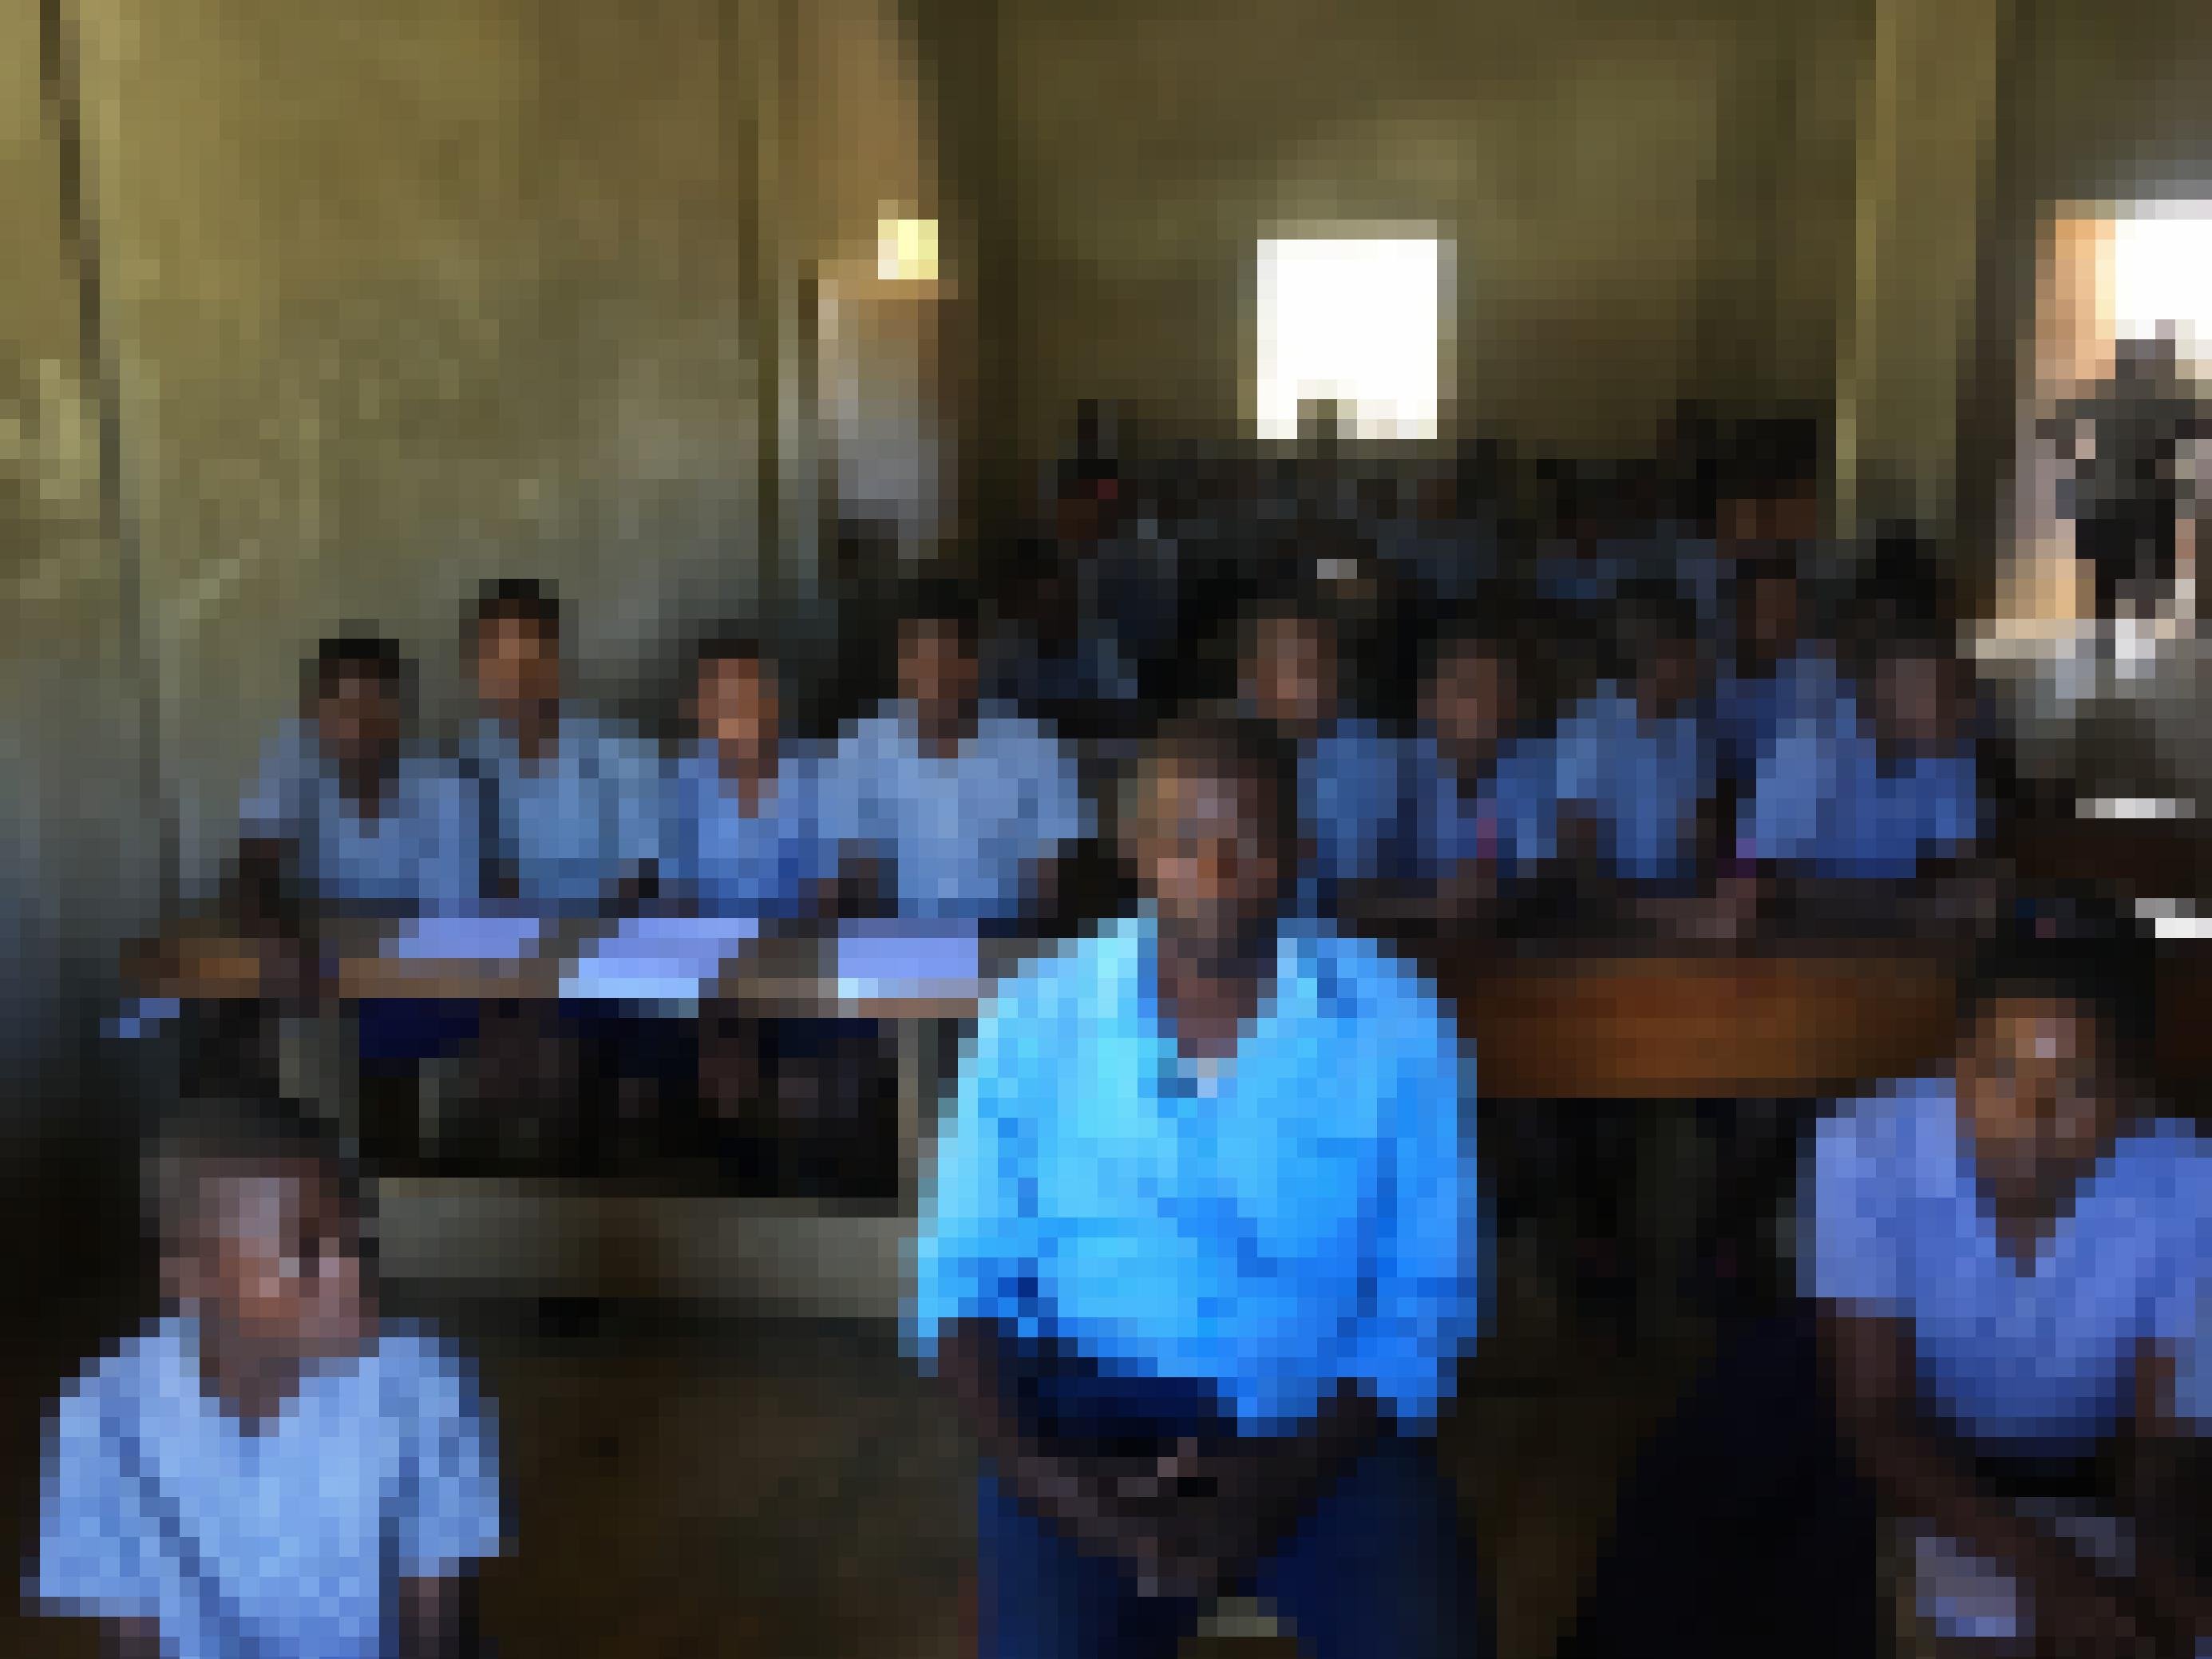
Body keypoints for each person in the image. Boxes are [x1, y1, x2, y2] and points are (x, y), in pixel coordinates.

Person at [913, 715, 1485, 1659]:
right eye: (1182, 842)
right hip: (1082, 1428)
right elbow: (960, 1288)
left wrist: (1285, 1476)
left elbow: (1427, 1298)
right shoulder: (1032, 1021)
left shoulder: (1395, 1026)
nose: (1214, 873)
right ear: (1133, 852)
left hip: (1319, 1427)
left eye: (1247, 843)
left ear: (1298, 854)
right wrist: (1054, 1485)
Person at [1810, 922, 2212, 1657]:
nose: (2030, 1121)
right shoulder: (1860, 1150)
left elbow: (2160, 1443)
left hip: (2096, 1471)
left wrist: (2155, 1578)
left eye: (2081, 1087)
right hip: (1918, 1462)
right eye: (1997, 1073)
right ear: (1951, 1069)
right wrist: (2050, 1576)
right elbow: (1871, 1416)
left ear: (2135, 1100)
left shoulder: (2193, 1185)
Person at [32, 1096, 502, 1657]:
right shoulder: (103, 1417)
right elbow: (132, 1636)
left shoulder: (428, 1387)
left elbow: (436, 1628)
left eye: (358, 1244)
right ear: (193, 1278)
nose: (351, 1273)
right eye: (306, 1252)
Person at [828, 580, 1094, 930]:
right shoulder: (861, 749)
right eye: (920, 661)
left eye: (950, 659)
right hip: (897, 948)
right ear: (898, 665)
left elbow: (1049, 881)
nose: (935, 678)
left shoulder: (1035, 748)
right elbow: (855, 873)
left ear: (976, 664)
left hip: (1008, 947)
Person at [235, 635, 481, 922]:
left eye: (373, 705)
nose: (358, 723)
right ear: (315, 715)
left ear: (401, 713)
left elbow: (451, 915)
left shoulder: (445, 789)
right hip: (310, 948)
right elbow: (254, 876)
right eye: (343, 707)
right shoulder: (293, 767)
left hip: (414, 953)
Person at [459, 577, 663, 917]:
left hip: (610, 950)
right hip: (505, 956)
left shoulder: (623, 757)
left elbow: (643, 885)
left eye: (527, 663)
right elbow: (466, 889)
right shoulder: (468, 766)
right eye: (499, 665)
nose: (514, 682)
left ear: (556, 664)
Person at [1230, 594, 1420, 921]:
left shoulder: (1373, 757)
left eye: (1312, 663)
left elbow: (1356, 881)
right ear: (1249, 675)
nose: (1301, 680)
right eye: (1279, 663)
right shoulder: (1220, 744)